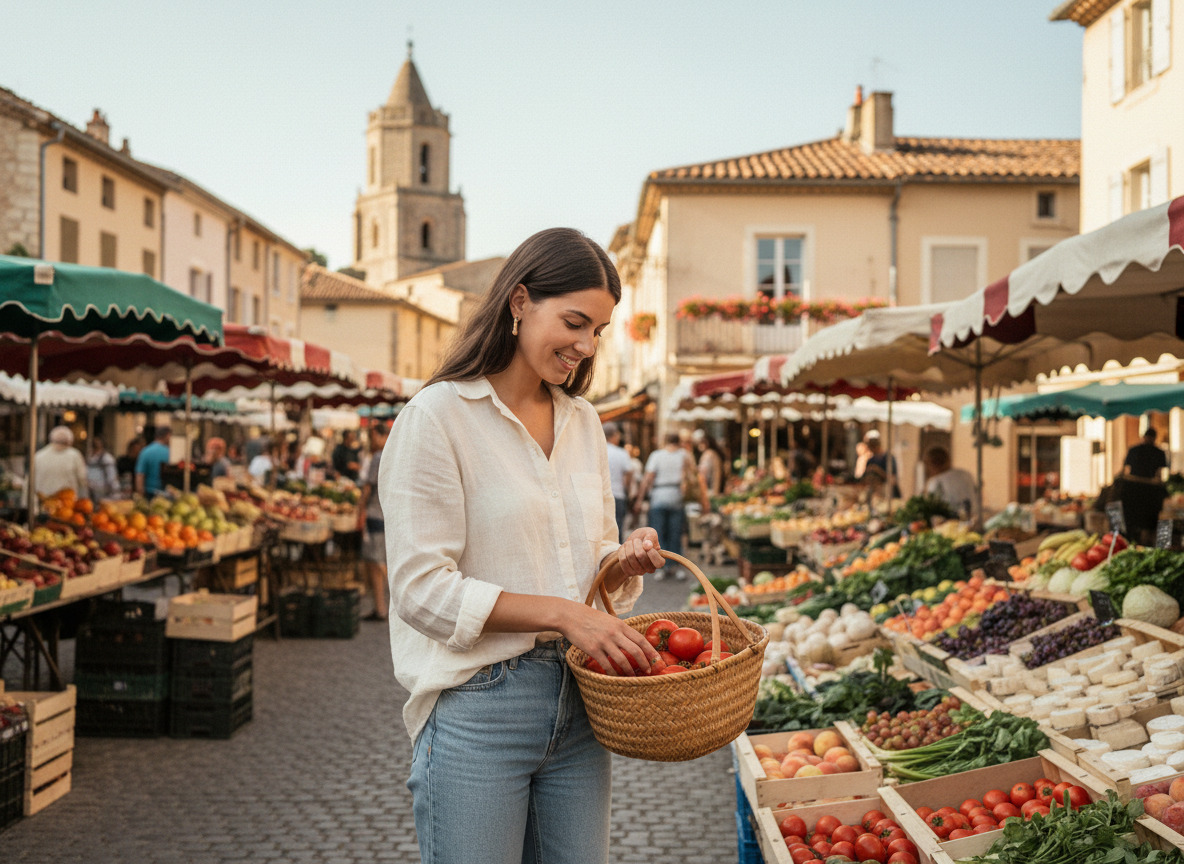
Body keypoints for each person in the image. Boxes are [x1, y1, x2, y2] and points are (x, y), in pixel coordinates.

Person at [378, 227, 664, 864]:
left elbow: (586, 569)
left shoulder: (584, 421)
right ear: (518, 301)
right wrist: (563, 614)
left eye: (598, 330)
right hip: (481, 708)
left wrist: (622, 561)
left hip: (582, 707)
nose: (585, 346)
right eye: (573, 321)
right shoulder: (437, 418)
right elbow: (420, 590)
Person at [635, 432, 696, 580]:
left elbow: (647, 478)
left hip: (659, 495)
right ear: (679, 441)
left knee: (659, 534)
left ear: (665, 440)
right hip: (675, 495)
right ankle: (676, 567)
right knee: (676, 533)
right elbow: (692, 473)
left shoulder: (656, 455)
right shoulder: (684, 454)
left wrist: (639, 499)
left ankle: (660, 567)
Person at [358, 421, 391, 621]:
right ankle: (380, 606)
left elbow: (368, 487)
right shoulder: (395, 452)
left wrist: (359, 512)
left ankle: (383, 607)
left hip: (375, 514)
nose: (371, 442)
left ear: (380, 435)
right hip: (386, 514)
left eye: (372, 437)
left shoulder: (379, 456)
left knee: (376, 562)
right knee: (377, 562)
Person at [34, 426, 88, 500]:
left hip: (43, 501)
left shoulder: (39, 455)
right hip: (66, 504)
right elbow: (82, 479)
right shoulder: (75, 455)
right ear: (69, 441)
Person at [923, 446, 977, 520]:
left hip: (949, 523)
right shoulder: (966, 474)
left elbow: (931, 508)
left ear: (932, 464)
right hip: (972, 519)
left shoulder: (935, 482)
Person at [602, 421, 633, 542]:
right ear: (614, 435)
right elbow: (628, 474)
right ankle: (615, 559)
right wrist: (627, 489)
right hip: (617, 495)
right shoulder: (621, 453)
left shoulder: (595, 451)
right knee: (616, 531)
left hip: (598, 496)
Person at [860, 431, 901, 499]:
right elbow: (864, 478)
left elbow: (893, 479)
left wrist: (877, 470)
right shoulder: (871, 460)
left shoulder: (888, 458)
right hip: (874, 493)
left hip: (887, 493)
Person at [134, 427, 171, 496]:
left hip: (150, 492)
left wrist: (140, 493)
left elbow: (139, 475)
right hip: (167, 493)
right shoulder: (170, 452)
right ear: (167, 436)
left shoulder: (145, 451)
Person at [695, 430, 726, 499]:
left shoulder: (709, 454)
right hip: (712, 487)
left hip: (710, 488)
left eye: (701, 443)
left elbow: (709, 472)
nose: (699, 445)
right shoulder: (711, 454)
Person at [86, 436, 119, 502]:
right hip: (91, 493)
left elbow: (112, 478)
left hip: (104, 494)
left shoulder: (107, 458)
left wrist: (115, 493)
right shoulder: (89, 457)